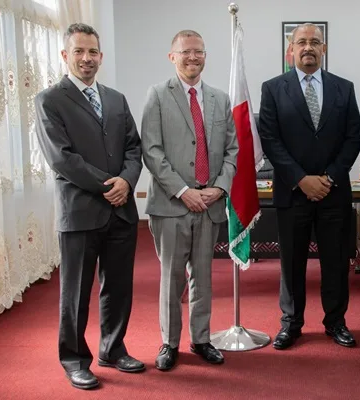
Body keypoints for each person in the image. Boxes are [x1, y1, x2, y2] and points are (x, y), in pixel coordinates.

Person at [34, 23, 144, 390]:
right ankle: (74, 360)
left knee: (118, 287)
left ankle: (112, 349)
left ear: (101, 56)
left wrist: (127, 181)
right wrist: (108, 186)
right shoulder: (49, 100)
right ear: (65, 56)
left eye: (92, 52)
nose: (86, 58)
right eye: (78, 51)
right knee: (76, 293)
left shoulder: (116, 98)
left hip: (122, 210)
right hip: (80, 212)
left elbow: (133, 147)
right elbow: (61, 159)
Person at [259, 23, 360, 350]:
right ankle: (291, 323)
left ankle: (336, 323)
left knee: (335, 261)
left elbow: (352, 138)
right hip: (293, 192)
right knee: (291, 263)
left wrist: (328, 177)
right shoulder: (273, 88)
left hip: (334, 193)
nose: (308, 47)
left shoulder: (344, 89)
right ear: (291, 49)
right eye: (301, 42)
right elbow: (270, 140)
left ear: (324, 48)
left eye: (314, 42)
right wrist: (301, 179)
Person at [141, 30, 238, 370]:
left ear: (205, 56)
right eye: (185, 52)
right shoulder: (157, 95)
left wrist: (220, 188)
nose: (192, 58)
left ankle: (201, 339)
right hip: (172, 205)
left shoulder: (219, 99)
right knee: (172, 278)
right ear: (172, 56)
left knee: (203, 276)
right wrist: (184, 191)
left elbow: (231, 151)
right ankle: (169, 343)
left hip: (210, 203)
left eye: (198, 52)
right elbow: (151, 152)